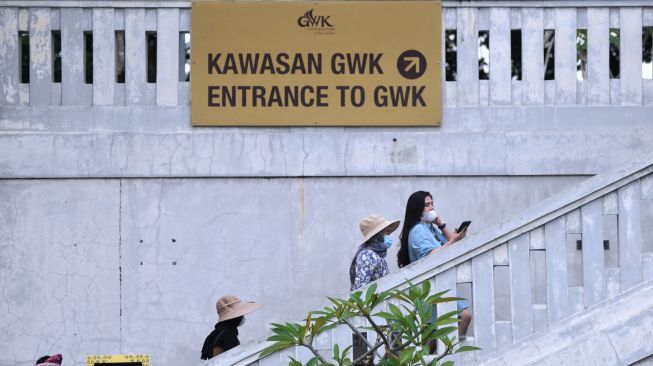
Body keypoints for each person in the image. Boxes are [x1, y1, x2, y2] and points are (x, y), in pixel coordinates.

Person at [397, 191, 471, 342]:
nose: (431, 208)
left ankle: (450, 352)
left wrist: (442, 225)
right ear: (417, 209)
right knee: (433, 336)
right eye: (426, 205)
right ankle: (448, 353)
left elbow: (452, 244)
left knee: (435, 335)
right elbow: (430, 257)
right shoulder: (418, 230)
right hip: (429, 288)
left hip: (441, 284)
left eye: (432, 203)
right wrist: (453, 241)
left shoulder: (430, 227)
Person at [201, 295, 262, 360]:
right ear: (235, 317)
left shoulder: (214, 334)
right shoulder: (228, 335)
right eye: (240, 314)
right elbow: (236, 360)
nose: (242, 317)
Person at [350, 214, 400, 291]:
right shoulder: (367, 255)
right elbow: (360, 289)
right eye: (387, 232)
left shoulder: (377, 254)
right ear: (378, 235)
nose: (390, 236)